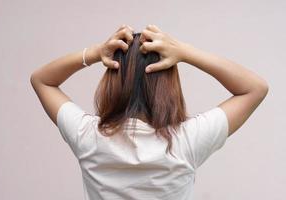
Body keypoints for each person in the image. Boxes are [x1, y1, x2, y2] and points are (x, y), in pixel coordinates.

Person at [30, 24, 269, 200]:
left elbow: (42, 80)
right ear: (168, 85)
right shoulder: (186, 141)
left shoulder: (88, 137)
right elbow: (254, 88)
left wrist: (95, 53)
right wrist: (185, 52)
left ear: (114, 80)